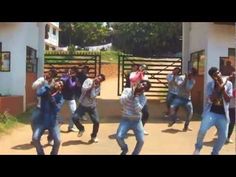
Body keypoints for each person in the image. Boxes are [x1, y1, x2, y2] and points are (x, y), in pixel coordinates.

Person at [193, 67, 232, 155]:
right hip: (211, 112)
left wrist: (223, 86)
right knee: (202, 130)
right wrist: (218, 86)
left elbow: (228, 99)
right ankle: (198, 148)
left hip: (223, 115)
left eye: (218, 72)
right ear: (212, 77)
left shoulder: (228, 84)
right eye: (215, 75)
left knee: (223, 137)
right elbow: (211, 99)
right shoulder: (209, 85)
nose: (218, 75)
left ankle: (215, 152)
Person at [116, 80, 151, 155]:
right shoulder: (127, 90)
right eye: (142, 84)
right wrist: (132, 93)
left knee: (141, 141)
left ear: (145, 90)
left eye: (144, 86)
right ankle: (124, 149)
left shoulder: (143, 98)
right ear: (138, 83)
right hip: (126, 119)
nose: (142, 86)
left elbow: (138, 109)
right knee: (119, 137)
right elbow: (122, 101)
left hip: (137, 121)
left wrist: (136, 96)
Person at [32, 79, 64, 155]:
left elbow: (57, 109)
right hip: (41, 120)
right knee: (35, 139)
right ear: (55, 82)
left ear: (61, 88)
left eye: (61, 85)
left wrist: (51, 99)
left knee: (58, 141)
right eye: (59, 82)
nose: (59, 84)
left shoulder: (60, 97)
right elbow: (38, 93)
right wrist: (48, 88)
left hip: (53, 122)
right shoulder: (45, 90)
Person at [72, 74, 106, 143]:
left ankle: (94, 136)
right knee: (74, 118)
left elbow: (92, 96)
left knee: (96, 122)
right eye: (98, 77)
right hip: (82, 105)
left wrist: (93, 88)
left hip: (92, 107)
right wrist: (91, 86)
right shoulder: (88, 81)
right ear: (96, 76)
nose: (97, 79)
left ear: (101, 81)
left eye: (100, 80)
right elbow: (83, 90)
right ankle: (81, 128)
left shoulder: (98, 88)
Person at [31, 68, 57, 145]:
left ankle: (50, 139)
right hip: (40, 106)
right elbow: (33, 86)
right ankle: (36, 137)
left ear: (53, 76)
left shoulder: (53, 83)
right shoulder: (41, 79)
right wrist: (41, 82)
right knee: (33, 121)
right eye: (49, 73)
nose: (49, 75)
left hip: (50, 107)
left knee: (51, 124)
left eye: (52, 74)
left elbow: (51, 92)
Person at [60, 66, 79, 132]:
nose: (71, 73)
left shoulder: (75, 79)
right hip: (62, 96)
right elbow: (61, 81)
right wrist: (67, 77)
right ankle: (57, 123)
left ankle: (71, 126)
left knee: (74, 112)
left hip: (71, 97)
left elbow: (71, 86)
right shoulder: (63, 76)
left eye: (73, 72)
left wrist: (69, 78)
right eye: (70, 71)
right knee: (56, 109)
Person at [226, 71, 235, 143]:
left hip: (233, 106)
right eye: (233, 75)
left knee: (232, 122)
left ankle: (228, 137)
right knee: (224, 121)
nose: (234, 77)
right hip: (224, 106)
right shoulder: (226, 82)